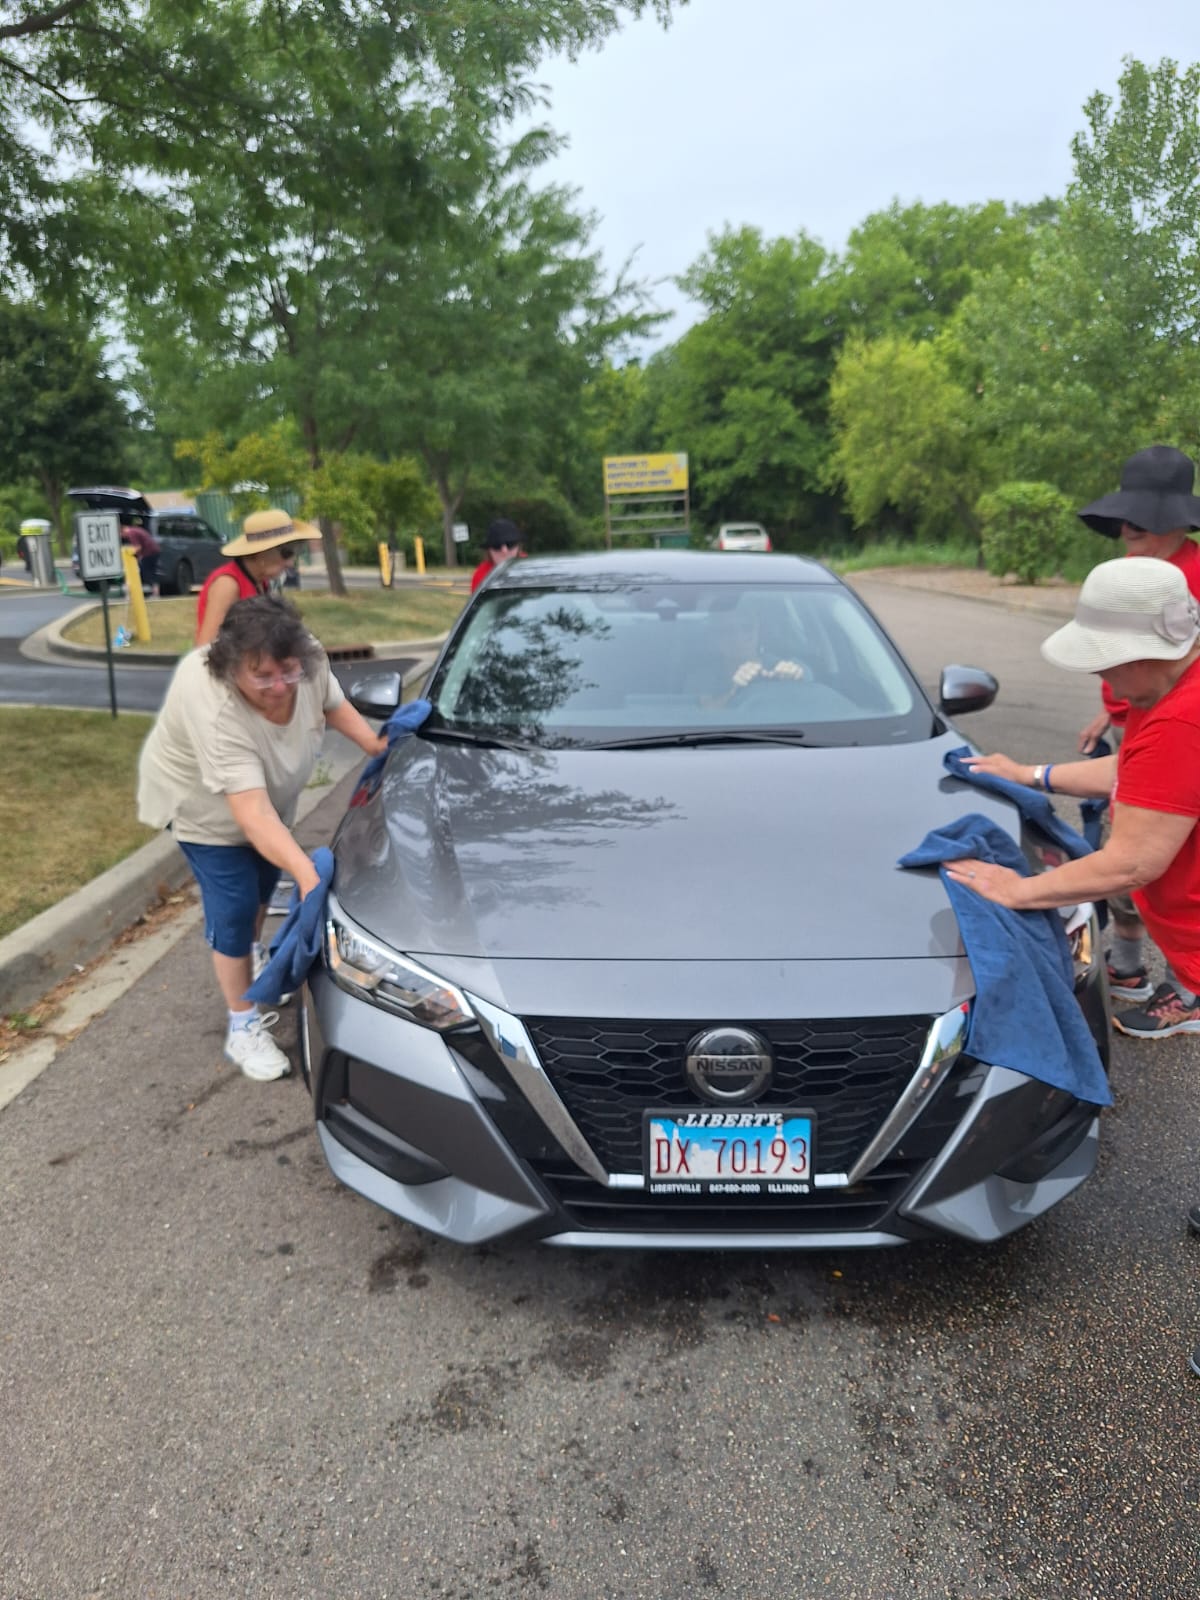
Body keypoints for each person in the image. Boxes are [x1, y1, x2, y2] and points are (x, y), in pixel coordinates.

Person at [945, 557, 1200, 1378]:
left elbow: (1131, 859)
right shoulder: (1172, 699)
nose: (1095, 670)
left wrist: (1025, 890)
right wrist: (1032, 776)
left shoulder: (1185, 716)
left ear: (1149, 649)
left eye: (1103, 654)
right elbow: (1142, 777)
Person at [137, 595, 388, 1081]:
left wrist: (375, 745)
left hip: (268, 804)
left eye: (287, 672)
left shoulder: (303, 658)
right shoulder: (213, 705)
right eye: (263, 677)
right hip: (203, 813)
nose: (279, 687)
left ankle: (249, 955)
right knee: (232, 906)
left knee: (261, 884)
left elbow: (332, 703)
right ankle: (242, 1024)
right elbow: (248, 814)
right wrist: (308, 876)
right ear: (231, 669)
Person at [1074, 446, 1200, 1009]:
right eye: (1128, 521)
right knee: (1133, 847)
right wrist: (1112, 710)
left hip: (1179, 728)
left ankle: (1186, 985)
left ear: (1177, 521)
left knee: (1151, 857)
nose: (1131, 530)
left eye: (1143, 521)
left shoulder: (1190, 581)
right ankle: (1129, 966)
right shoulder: (1131, 573)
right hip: (1137, 718)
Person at [194, 507, 313, 646]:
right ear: (261, 552)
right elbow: (205, 647)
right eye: (286, 553)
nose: (290, 563)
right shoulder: (228, 584)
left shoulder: (260, 581)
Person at [695, 605, 807, 709]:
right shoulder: (702, 676)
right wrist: (734, 691)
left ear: (758, 630)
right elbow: (703, 714)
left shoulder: (785, 667)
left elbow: (809, 708)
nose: (738, 638)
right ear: (714, 637)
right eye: (727, 631)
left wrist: (795, 684)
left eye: (747, 627)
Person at [470, 518, 523, 592]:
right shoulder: (481, 577)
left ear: (518, 547)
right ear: (489, 550)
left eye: (510, 544)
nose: (504, 551)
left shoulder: (531, 568)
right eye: (497, 545)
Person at [120, 520, 161, 596]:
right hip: (155, 550)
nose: (123, 537)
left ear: (122, 531)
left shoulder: (131, 533)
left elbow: (138, 547)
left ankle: (151, 592)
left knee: (146, 572)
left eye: (121, 535)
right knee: (151, 572)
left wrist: (129, 553)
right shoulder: (135, 529)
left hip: (149, 552)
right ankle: (155, 591)